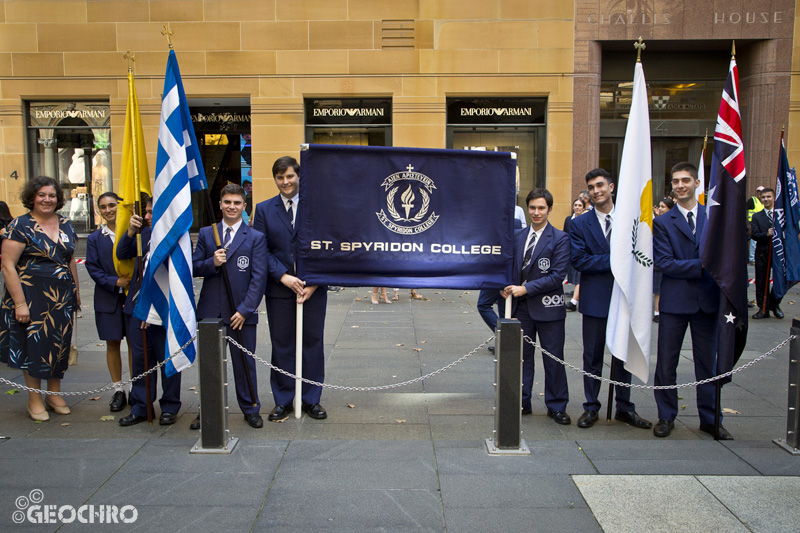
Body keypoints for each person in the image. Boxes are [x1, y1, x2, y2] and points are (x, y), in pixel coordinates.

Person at [569, 168, 652, 430]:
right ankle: (591, 407)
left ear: (612, 187)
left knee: (623, 355)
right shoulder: (580, 224)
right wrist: (616, 261)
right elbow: (580, 260)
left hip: (626, 297)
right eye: (591, 187)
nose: (596, 191)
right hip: (595, 299)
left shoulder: (632, 220)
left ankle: (624, 407)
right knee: (592, 356)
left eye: (600, 185)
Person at [652, 162, 729, 439]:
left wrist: (701, 265)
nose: (680, 185)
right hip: (674, 303)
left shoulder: (715, 218)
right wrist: (706, 264)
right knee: (666, 363)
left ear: (698, 184)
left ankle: (710, 418)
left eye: (686, 180)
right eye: (675, 181)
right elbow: (665, 263)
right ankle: (665, 416)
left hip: (707, 303)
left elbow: (727, 257)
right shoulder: (662, 222)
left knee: (707, 364)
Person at [253, 156, 328, 422]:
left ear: (299, 176)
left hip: (313, 291)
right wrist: (283, 277)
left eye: (290, 176)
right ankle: (283, 399)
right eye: (280, 177)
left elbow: (327, 246)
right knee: (282, 345)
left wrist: (315, 283)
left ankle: (311, 399)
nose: (285, 182)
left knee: (312, 343)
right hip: (279, 290)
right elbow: (261, 250)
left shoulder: (316, 208)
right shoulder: (262, 210)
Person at [0, 176, 80, 421]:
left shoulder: (66, 223)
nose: (47, 199)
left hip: (61, 298)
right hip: (31, 297)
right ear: (32, 198)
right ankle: (34, 398)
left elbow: (70, 261)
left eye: (52, 195)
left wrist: (75, 294)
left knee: (58, 345)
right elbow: (8, 265)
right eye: (42, 195)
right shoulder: (20, 225)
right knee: (33, 347)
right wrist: (20, 303)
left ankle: (53, 394)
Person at [193, 184, 267, 429]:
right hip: (211, 312)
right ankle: (208, 410)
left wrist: (245, 310)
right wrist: (211, 262)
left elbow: (258, 278)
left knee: (245, 364)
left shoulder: (255, 237)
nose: (232, 207)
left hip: (240, 314)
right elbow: (194, 267)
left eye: (237, 203)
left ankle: (250, 408)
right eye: (227, 202)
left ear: (244, 206)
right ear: (220, 204)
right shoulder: (207, 233)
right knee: (210, 366)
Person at [502, 188, 571, 424]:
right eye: (532, 207)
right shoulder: (518, 236)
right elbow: (510, 268)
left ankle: (557, 405)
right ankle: (522, 402)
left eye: (541, 208)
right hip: (521, 309)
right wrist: (505, 286)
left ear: (550, 209)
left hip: (549, 308)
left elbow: (556, 276)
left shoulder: (561, 238)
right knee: (522, 358)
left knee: (554, 358)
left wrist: (526, 288)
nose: (536, 212)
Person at [116, 198, 182, 426]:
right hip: (137, 307)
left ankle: (170, 406)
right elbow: (122, 253)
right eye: (146, 212)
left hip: (165, 309)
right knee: (141, 361)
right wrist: (131, 230)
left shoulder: (177, 237)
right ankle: (141, 406)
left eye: (152, 212)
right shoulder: (142, 236)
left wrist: (154, 309)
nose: (146, 216)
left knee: (167, 360)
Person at [85, 192, 131, 412]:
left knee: (135, 343)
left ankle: (137, 388)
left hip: (132, 296)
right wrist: (115, 282)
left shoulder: (131, 233)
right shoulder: (95, 238)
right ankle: (118, 390)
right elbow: (92, 268)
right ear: (99, 210)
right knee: (112, 343)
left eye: (112, 205)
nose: (108, 210)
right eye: (103, 207)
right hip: (107, 297)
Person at [751, 187, 783, 319]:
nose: (766, 199)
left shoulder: (780, 215)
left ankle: (774, 305)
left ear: (774, 198)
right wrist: (766, 234)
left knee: (779, 280)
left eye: (768, 197)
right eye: (763, 197)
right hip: (762, 253)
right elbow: (754, 234)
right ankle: (763, 309)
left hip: (778, 253)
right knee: (761, 281)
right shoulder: (757, 216)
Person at [652, 196, 675, 323]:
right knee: (657, 290)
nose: (660, 209)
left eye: (663, 207)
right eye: (659, 206)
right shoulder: (656, 221)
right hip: (657, 260)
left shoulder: (672, 221)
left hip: (670, 260)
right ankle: (657, 312)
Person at [563, 197, 586, 311]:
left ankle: (574, 301)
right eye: (575, 205)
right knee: (574, 276)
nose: (577, 207)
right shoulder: (568, 219)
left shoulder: (586, 220)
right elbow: (565, 234)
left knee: (579, 276)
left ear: (583, 208)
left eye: (579, 205)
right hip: (570, 251)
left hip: (582, 251)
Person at [747, 186, 765, 264]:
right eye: (758, 192)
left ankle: (758, 257)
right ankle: (752, 259)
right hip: (751, 224)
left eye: (761, 192)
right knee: (753, 242)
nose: (759, 193)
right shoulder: (753, 200)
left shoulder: (763, 202)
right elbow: (744, 208)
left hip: (761, 224)